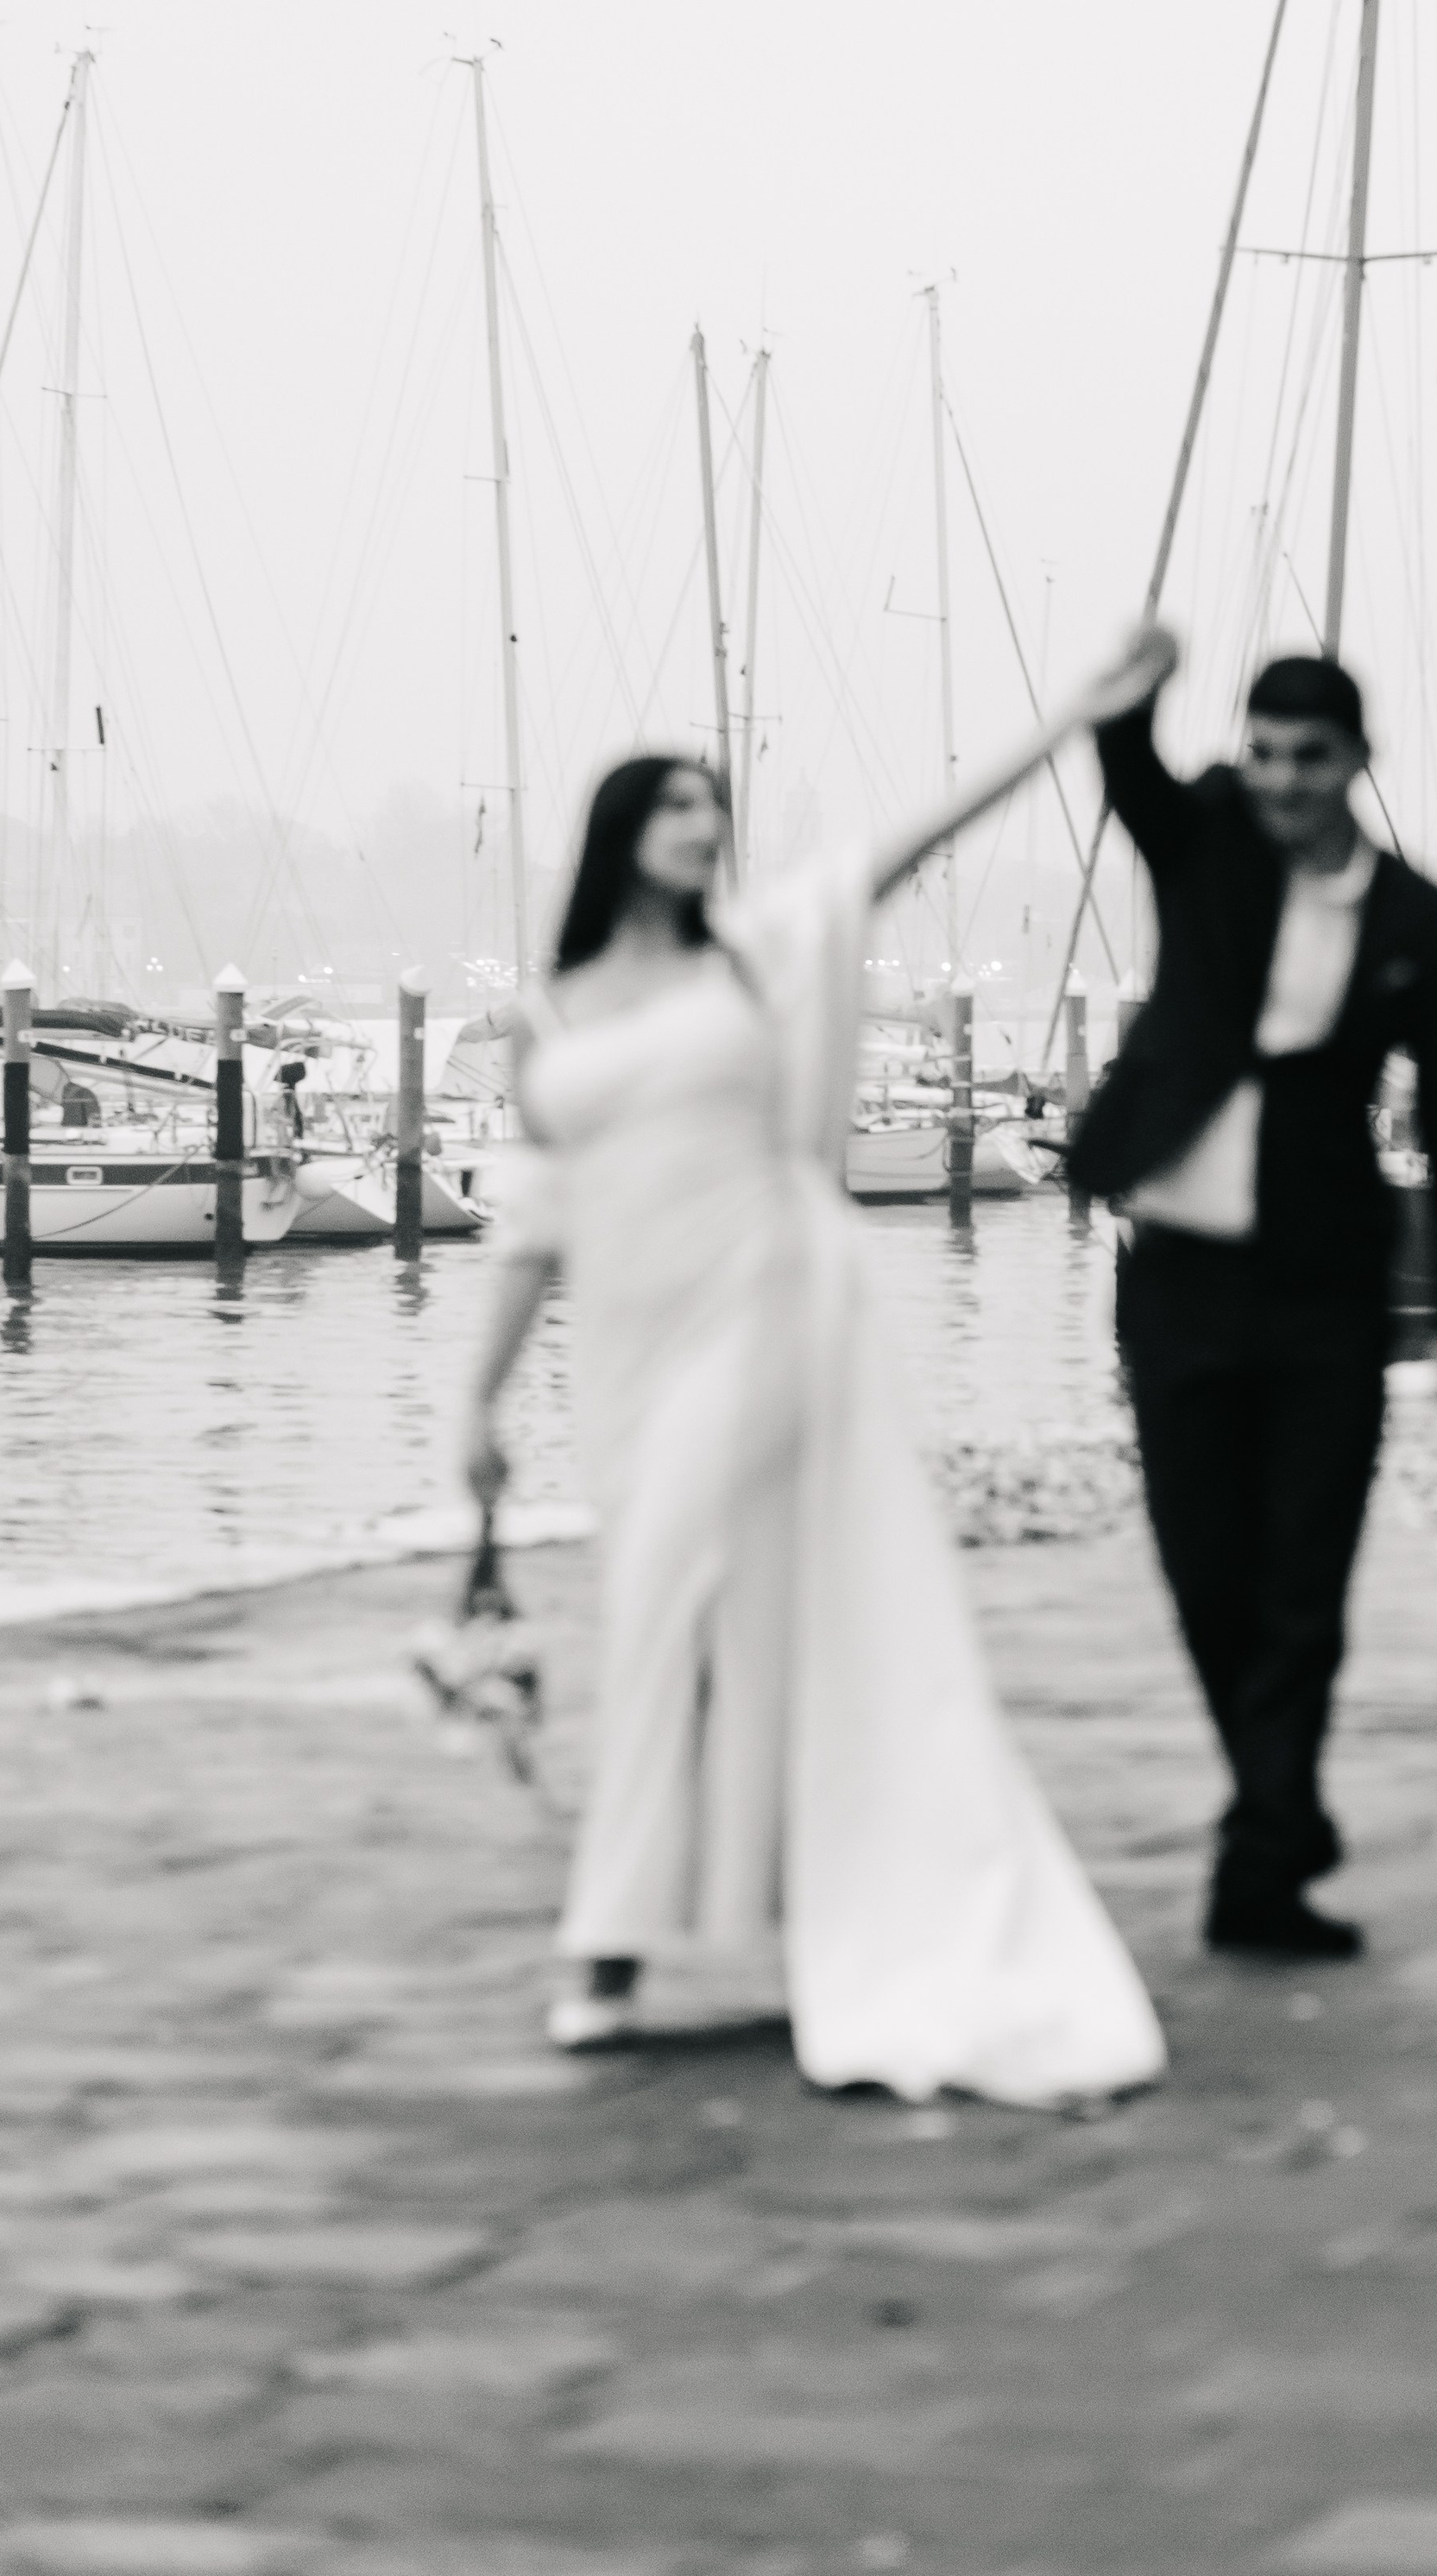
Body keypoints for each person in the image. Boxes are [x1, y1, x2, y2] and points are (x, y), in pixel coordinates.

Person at [458, 633, 1175, 2105]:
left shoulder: (756, 954)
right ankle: (779, 1907)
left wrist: (1064, 725)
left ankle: (606, 1946)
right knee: (696, 1611)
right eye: (676, 809)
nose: (703, 830)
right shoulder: (547, 1015)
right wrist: (472, 1402)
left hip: (767, 1307)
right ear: (620, 834)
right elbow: (531, 1227)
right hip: (626, 1354)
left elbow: (896, 852)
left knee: (670, 1607)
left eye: (714, 812)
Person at [1065, 647, 1437, 1962]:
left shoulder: (1421, 916)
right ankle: (1281, 1805)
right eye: (1263, 754)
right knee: (1206, 1568)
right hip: (1180, 1270)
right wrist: (1138, 688)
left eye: (1308, 759)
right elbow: (1126, 769)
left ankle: (1261, 1861)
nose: (1283, 782)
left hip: (1325, 1280)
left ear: (1356, 765)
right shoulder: (1208, 849)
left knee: (1305, 1574)